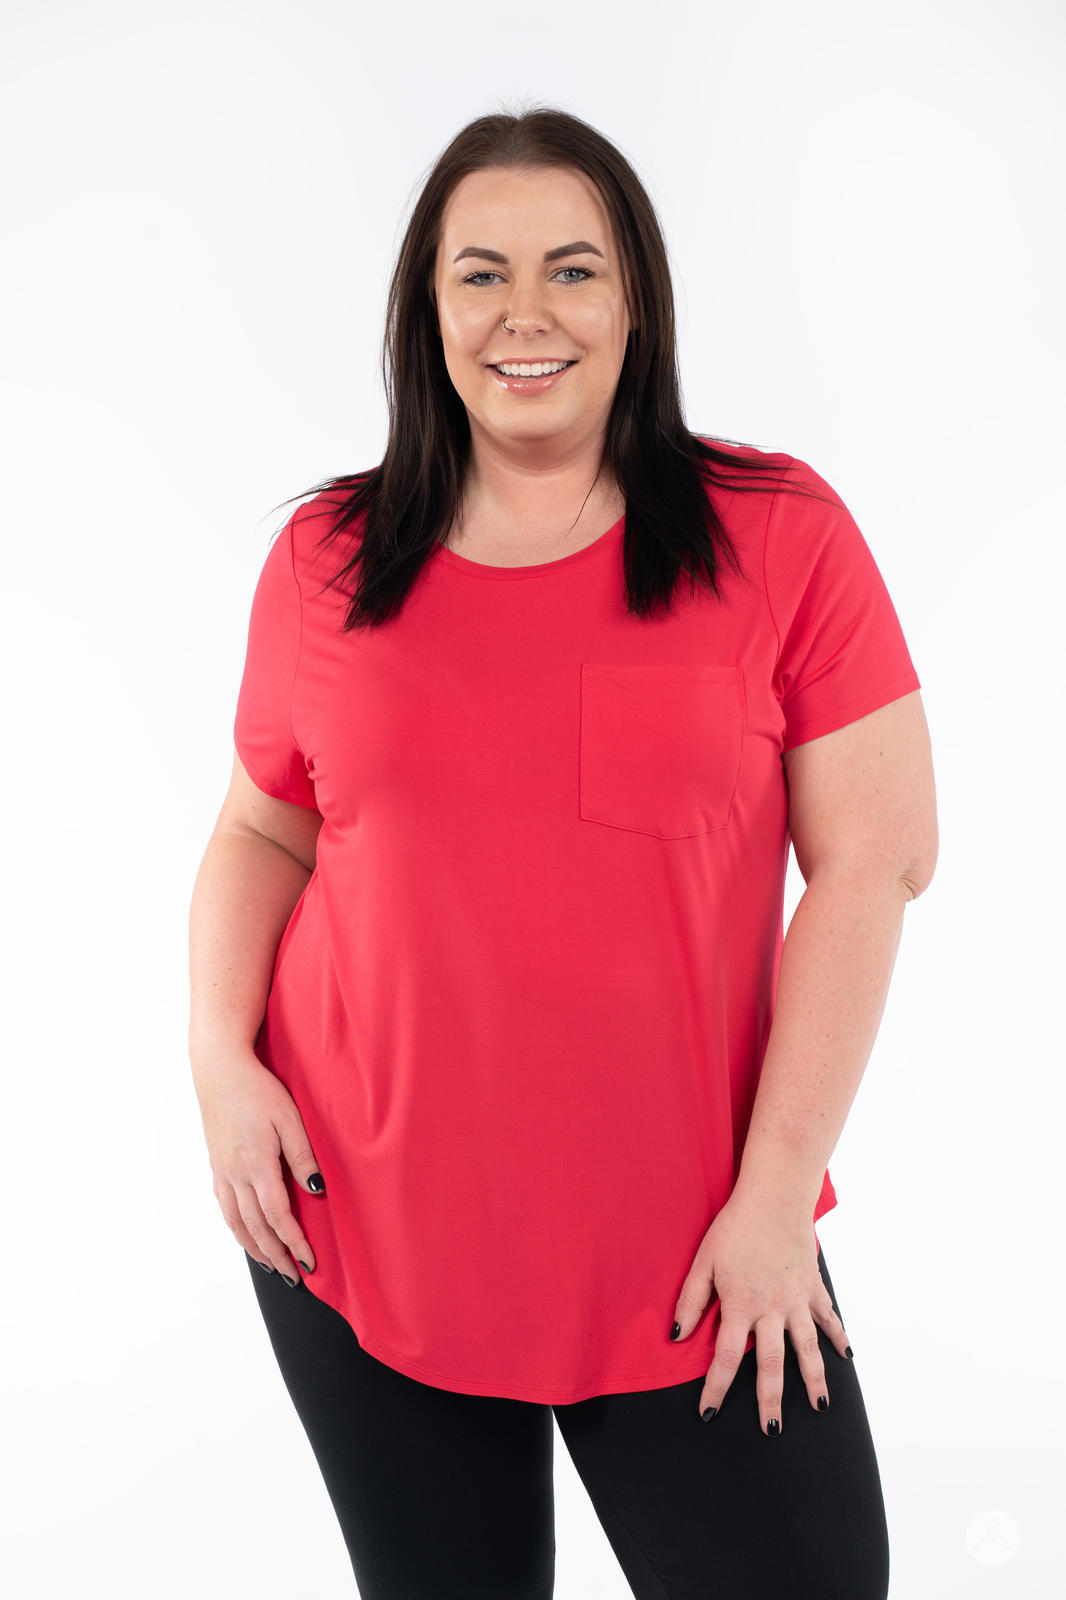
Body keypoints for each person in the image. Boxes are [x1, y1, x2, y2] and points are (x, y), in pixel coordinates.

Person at [188, 105, 938, 1600]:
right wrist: (219, 1061)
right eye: (480, 274)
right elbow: (263, 824)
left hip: (698, 1251)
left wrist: (776, 1198)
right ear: (427, 310)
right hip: (364, 1221)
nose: (523, 313)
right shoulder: (324, 559)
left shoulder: (778, 533)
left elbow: (875, 862)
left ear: (635, 299)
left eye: (572, 270)